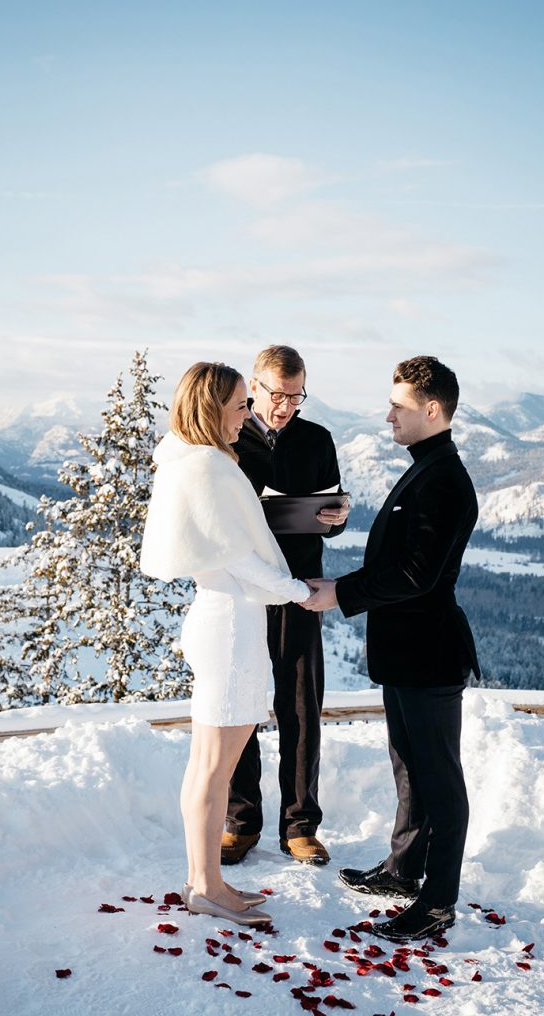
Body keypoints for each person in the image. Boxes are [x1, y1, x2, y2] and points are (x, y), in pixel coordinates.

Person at [302, 355, 480, 941]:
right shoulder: (424, 468)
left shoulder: (445, 478)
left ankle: (437, 902)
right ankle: (404, 871)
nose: (388, 416)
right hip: (405, 652)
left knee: (439, 778)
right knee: (410, 769)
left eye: (398, 407)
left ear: (432, 410)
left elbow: (415, 574)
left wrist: (341, 593)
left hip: (429, 653)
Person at [140, 361, 311, 927]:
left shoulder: (190, 460)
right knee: (214, 769)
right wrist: (295, 591)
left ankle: (200, 879)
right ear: (212, 407)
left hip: (221, 621)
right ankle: (210, 886)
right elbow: (237, 555)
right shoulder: (209, 467)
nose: (247, 415)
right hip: (232, 627)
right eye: (240, 405)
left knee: (204, 766)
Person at [222, 345, 349, 868]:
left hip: (299, 590)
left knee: (301, 707)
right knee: (240, 706)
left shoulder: (317, 438)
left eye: (296, 397)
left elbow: (333, 509)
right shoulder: (227, 436)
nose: (285, 407)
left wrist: (336, 516)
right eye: (277, 395)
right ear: (255, 385)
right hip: (243, 591)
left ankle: (300, 826)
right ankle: (240, 821)